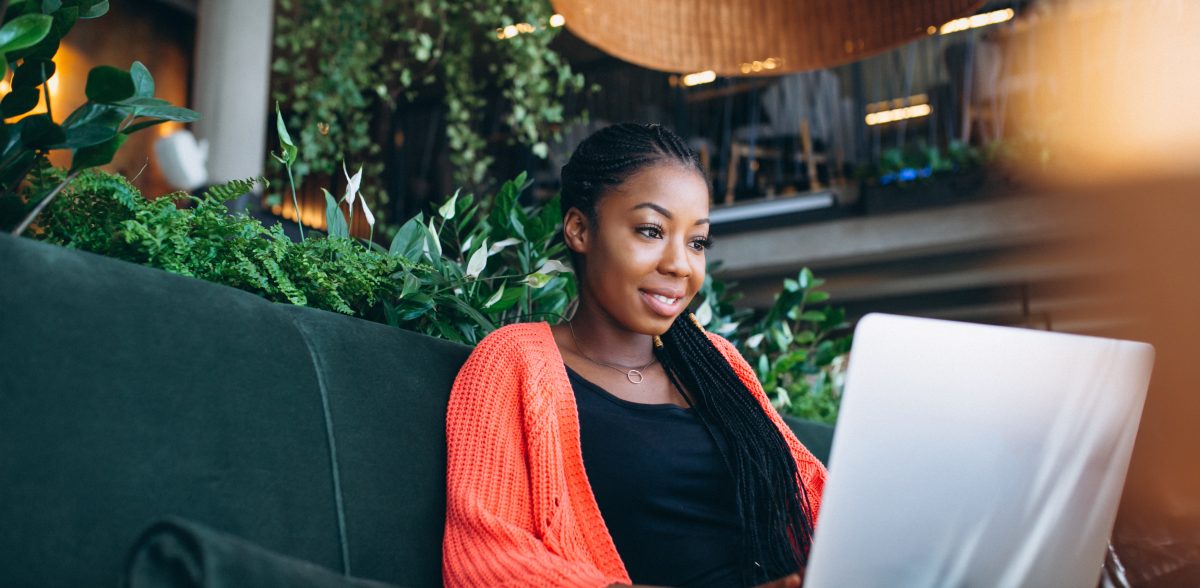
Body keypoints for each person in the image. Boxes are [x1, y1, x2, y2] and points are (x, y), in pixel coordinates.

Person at [442, 123, 827, 587]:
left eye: (697, 241)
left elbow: (815, 499)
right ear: (580, 229)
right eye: (650, 231)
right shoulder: (513, 362)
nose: (680, 265)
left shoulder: (714, 362)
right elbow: (484, 562)